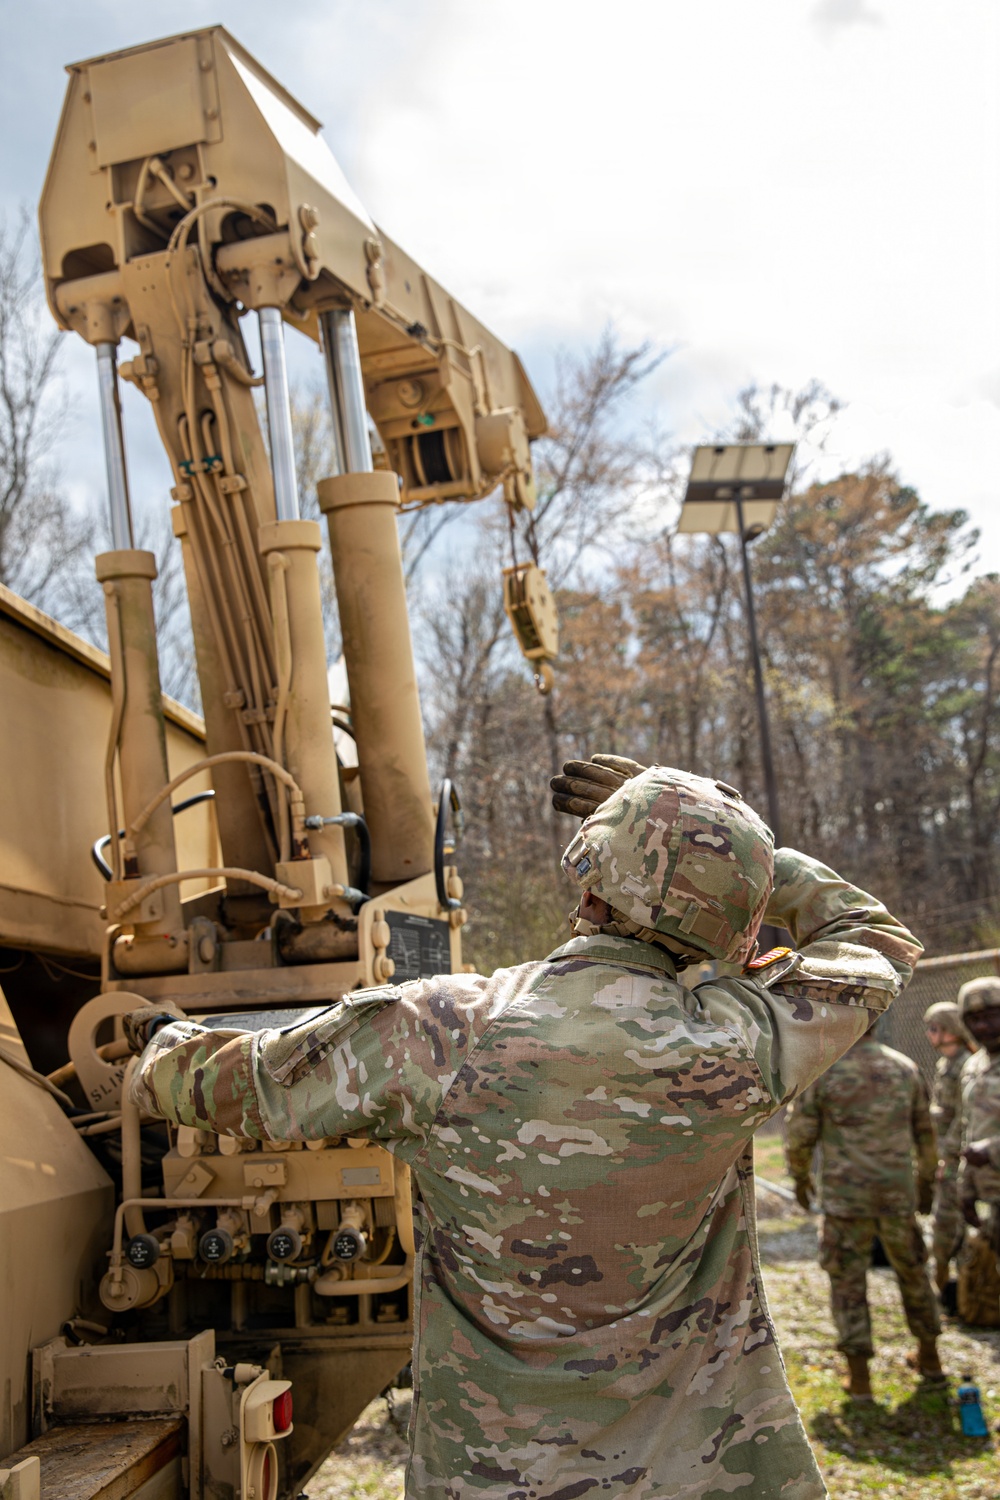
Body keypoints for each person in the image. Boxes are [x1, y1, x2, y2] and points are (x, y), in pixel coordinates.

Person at [125, 759, 921, 1500]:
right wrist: (728, 860)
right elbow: (875, 938)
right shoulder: (741, 1043)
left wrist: (148, 1047)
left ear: (589, 880)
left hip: (494, 1470)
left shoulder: (442, 1028)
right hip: (705, 1466)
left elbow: (236, 1087)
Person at [785, 1027, 942, 1400]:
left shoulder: (824, 1070)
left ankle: (860, 1381)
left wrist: (801, 1181)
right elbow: (926, 1135)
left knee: (847, 1281)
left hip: (845, 1200)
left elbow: (800, 1136)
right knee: (914, 1272)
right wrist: (924, 1187)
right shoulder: (904, 1067)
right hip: (896, 1195)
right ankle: (932, 1359)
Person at [923, 1000, 975, 1298]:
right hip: (946, 1153)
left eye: (934, 1028)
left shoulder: (967, 1065)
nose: (930, 1035)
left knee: (948, 1226)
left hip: (959, 1158)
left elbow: (963, 1117)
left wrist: (947, 1156)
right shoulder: (947, 1063)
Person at [954, 978, 1000, 1263]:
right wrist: (966, 1186)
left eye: (989, 1017)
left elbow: (984, 1145)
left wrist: (992, 1150)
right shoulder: (974, 1065)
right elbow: (969, 1129)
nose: (981, 1026)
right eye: (973, 1019)